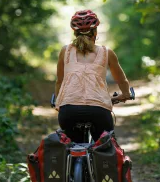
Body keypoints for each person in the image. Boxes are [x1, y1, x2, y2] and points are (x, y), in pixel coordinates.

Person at [55, 9, 132, 143]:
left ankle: (70, 162)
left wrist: (58, 103)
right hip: (99, 110)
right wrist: (125, 94)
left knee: (70, 146)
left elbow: (59, 81)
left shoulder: (65, 51)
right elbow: (121, 80)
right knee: (105, 147)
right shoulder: (106, 52)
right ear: (95, 32)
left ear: (74, 32)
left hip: (68, 111)